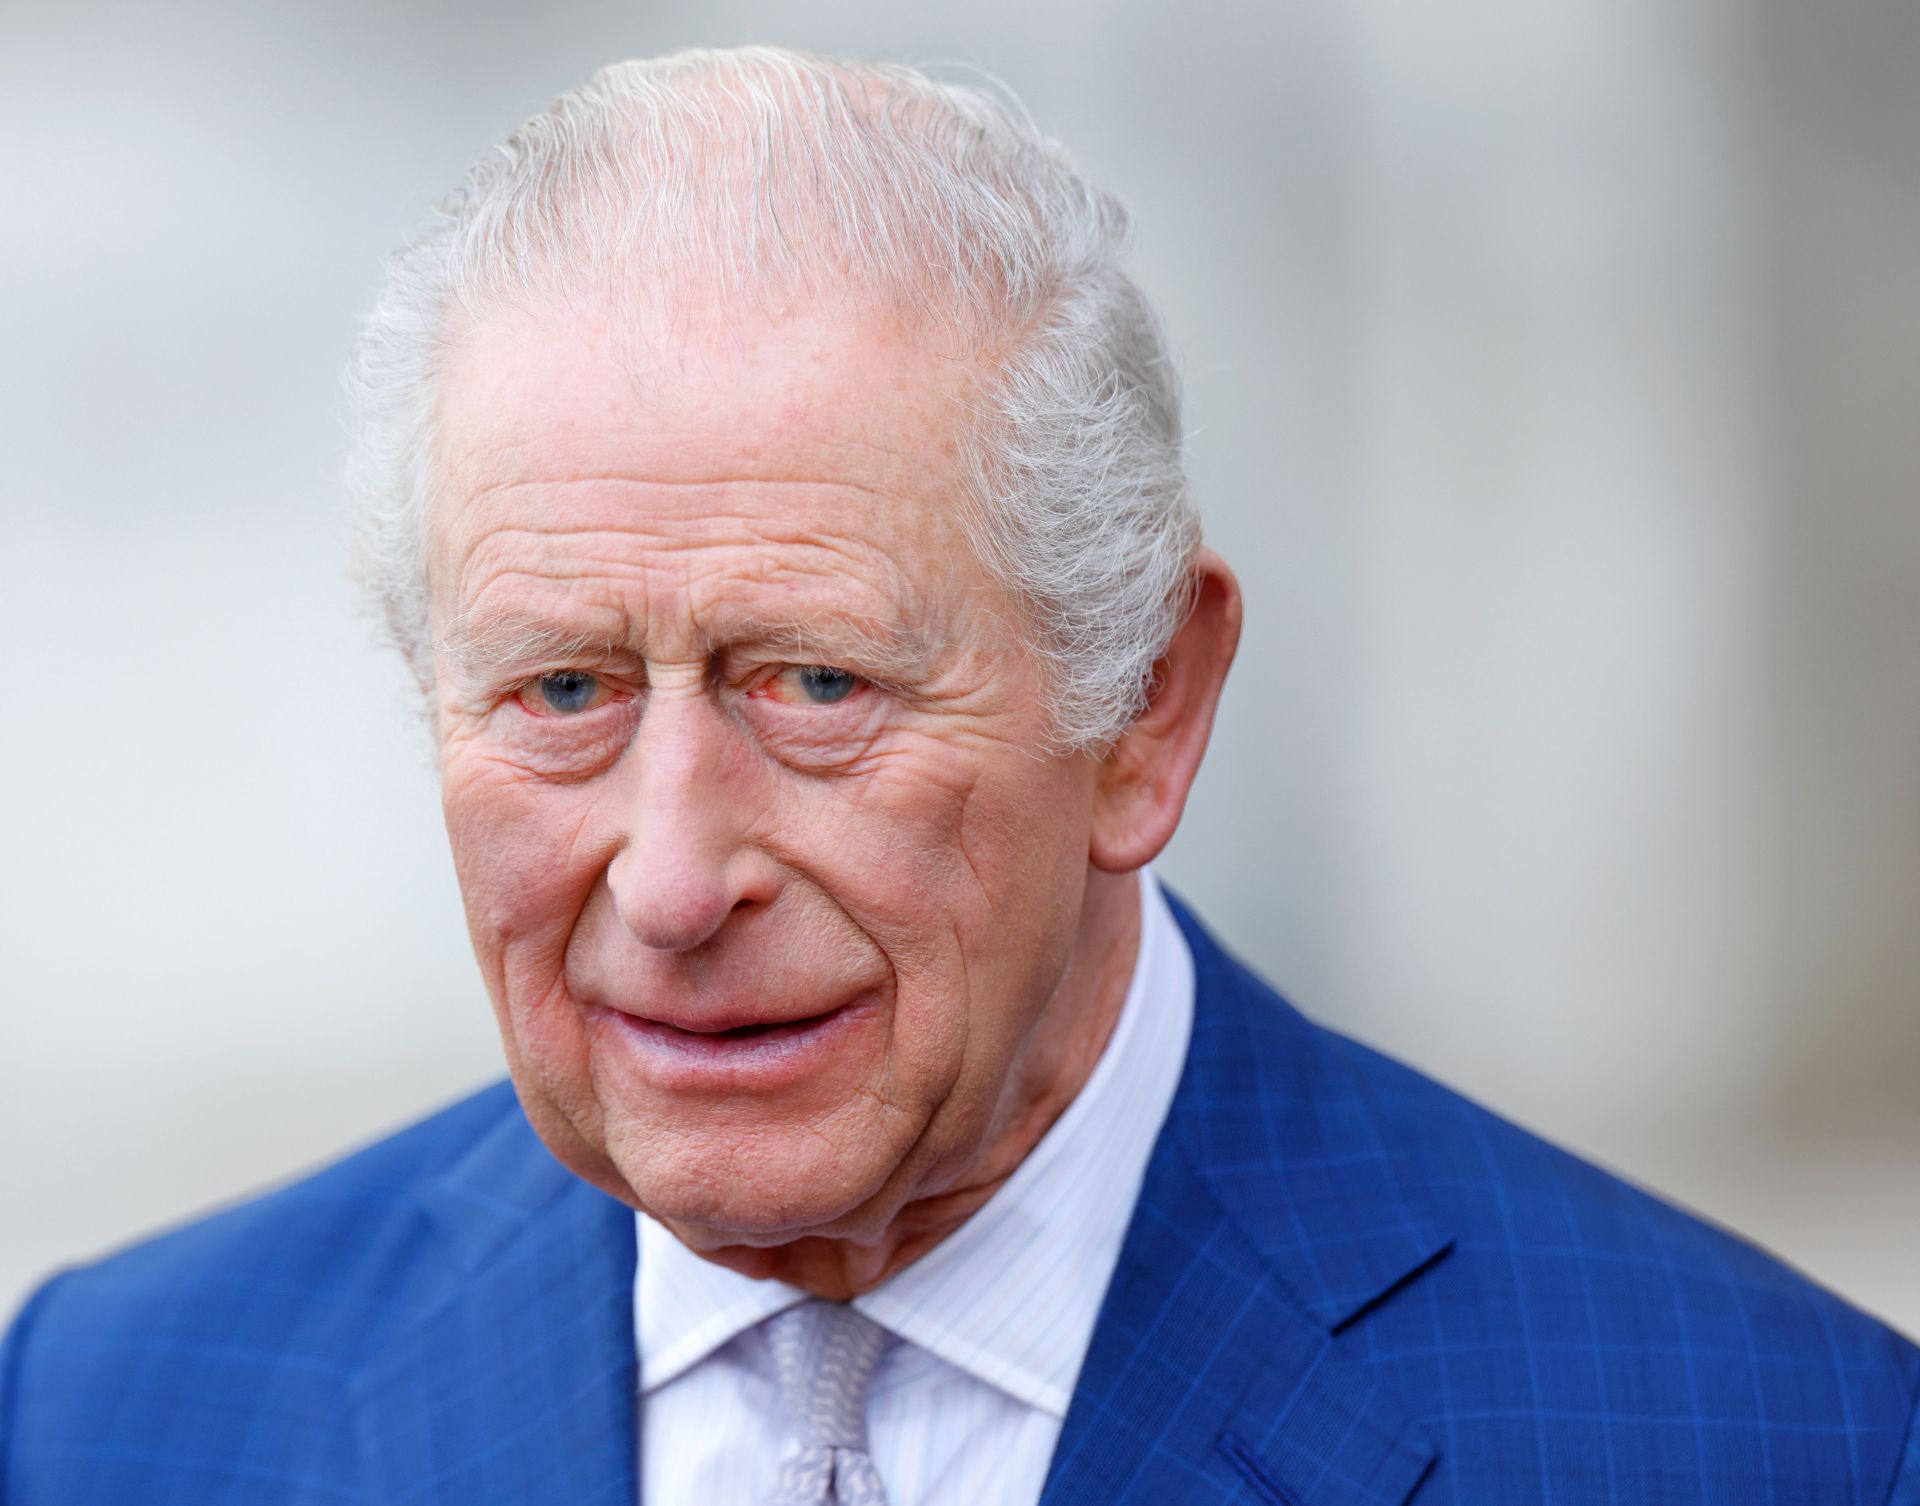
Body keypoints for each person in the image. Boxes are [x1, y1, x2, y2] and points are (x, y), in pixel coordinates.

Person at [1, 45, 1914, 1506]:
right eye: (564, 687)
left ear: (1148, 708)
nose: (670, 880)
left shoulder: (1765, 1444)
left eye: (816, 682)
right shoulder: (116, 1413)